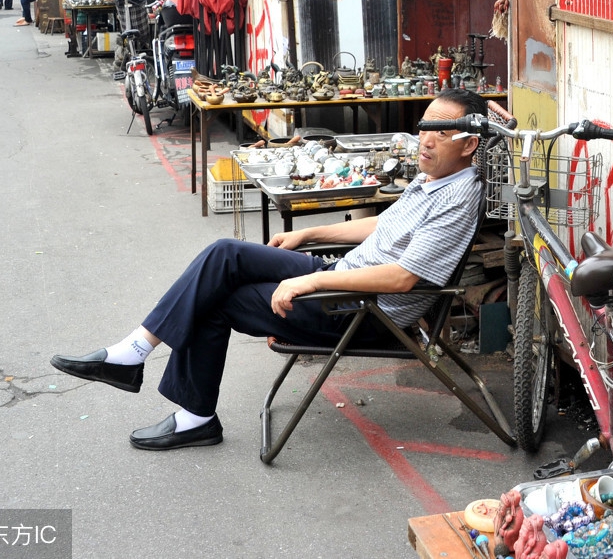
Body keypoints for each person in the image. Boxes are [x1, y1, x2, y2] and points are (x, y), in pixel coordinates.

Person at [50, 89, 487, 450]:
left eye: (441, 133)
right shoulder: (434, 177)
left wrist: (311, 278)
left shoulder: (459, 197)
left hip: (363, 311)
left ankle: (190, 412)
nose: (426, 140)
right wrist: (308, 236)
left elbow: (402, 279)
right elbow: (384, 225)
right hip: (344, 278)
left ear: (469, 144)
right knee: (225, 254)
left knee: (217, 300)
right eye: (425, 128)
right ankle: (136, 351)